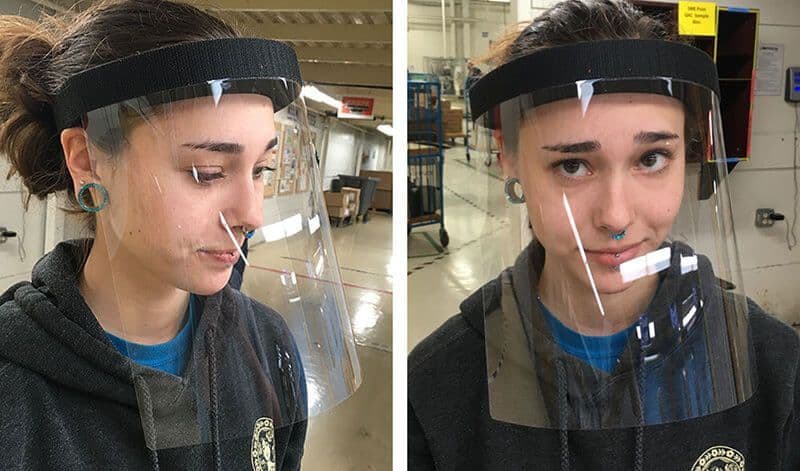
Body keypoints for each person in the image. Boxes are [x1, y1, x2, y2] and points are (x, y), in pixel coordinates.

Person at [408, 1, 800, 470]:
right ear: (507, 158)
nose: (615, 216)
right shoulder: (439, 386)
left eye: (651, 158)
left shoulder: (776, 367)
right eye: (572, 165)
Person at [0, 1, 361, 469]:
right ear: (87, 160)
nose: (252, 214)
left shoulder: (268, 346)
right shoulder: (14, 394)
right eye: (206, 171)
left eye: (261, 169)